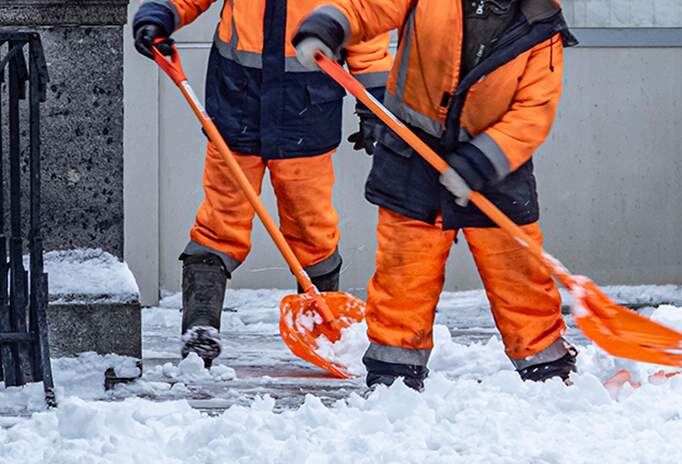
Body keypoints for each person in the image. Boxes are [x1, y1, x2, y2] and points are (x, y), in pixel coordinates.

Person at [294, 0, 579, 390]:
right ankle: (394, 373)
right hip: (413, 152)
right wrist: (329, 25)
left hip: (495, 167)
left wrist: (479, 162)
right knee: (405, 272)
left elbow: (533, 111)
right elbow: (368, 7)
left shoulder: (541, 25)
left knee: (518, 274)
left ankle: (546, 369)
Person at [132, 0, 391, 366]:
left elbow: (365, 31)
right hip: (238, 104)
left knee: (312, 228)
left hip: (306, 112)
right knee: (221, 220)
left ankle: (322, 328)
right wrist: (159, 16)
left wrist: (374, 104)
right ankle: (200, 327)